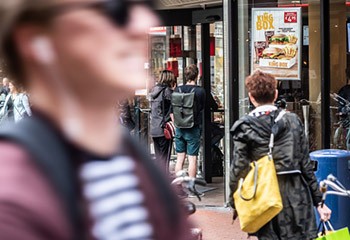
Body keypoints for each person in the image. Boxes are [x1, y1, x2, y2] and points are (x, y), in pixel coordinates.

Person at [0, 1, 193, 239]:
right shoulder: (15, 196)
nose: (144, 23)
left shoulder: (136, 163)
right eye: (114, 9)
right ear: (36, 41)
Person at [229, 70, 332, 240]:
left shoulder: (244, 127)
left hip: (264, 197)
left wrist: (235, 201)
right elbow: (305, 165)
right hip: (296, 196)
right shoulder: (293, 121)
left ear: (251, 97)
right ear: (276, 94)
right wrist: (319, 203)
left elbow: (238, 167)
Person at [174, 64, 205, 180]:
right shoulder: (200, 91)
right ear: (196, 75)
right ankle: (191, 188)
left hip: (179, 127)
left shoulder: (178, 89)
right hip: (193, 127)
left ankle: (179, 187)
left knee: (180, 158)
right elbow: (203, 108)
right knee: (192, 158)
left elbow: (173, 110)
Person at [150, 70, 177, 172]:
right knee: (165, 157)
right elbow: (175, 105)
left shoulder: (154, 90)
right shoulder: (167, 91)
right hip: (164, 128)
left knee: (159, 157)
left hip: (154, 128)